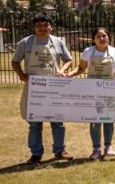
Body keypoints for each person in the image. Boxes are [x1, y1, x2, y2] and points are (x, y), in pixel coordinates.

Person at [11, 12, 74, 164]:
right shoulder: (25, 43)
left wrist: (62, 70)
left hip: (54, 88)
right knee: (34, 122)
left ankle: (60, 151)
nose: (42, 28)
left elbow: (68, 60)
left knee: (57, 121)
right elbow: (15, 61)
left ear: (50, 27)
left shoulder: (58, 42)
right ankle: (36, 154)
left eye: (45, 25)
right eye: (38, 25)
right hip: (34, 88)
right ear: (34, 27)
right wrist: (21, 75)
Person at [66, 27, 115, 160]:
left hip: (110, 89)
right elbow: (81, 68)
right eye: (98, 36)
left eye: (104, 36)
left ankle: (108, 147)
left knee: (109, 119)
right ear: (93, 39)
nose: (101, 39)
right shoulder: (88, 52)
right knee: (94, 120)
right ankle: (96, 149)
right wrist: (70, 74)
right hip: (92, 90)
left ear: (108, 37)